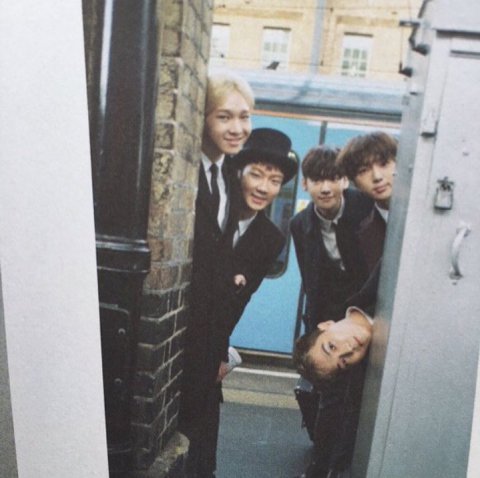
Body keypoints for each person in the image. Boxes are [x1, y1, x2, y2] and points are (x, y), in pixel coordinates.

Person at [178, 72, 254, 478]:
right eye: (224, 116)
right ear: (203, 117)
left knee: (203, 451)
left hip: (210, 342)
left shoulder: (229, 173)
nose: (237, 127)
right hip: (184, 335)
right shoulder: (186, 172)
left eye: (245, 116)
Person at [290, 146, 373, 478]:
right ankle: (321, 465)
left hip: (368, 311)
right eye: (316, 180)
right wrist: (318, 328)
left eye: (333, 178)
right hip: (330, 317)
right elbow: (311, 281)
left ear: (345, 181)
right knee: (330, 397)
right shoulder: (300, 224)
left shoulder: (366, 207)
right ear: (305, 184)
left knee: (362, 395)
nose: (325, 188)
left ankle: (345, 463)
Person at [215, 127, 298, 360]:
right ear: (239, 172)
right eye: (256, 175)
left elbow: (239, 302)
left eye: (275, 181)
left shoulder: (272, 239)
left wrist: (220, 353)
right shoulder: (214, 213)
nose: (263, 188)